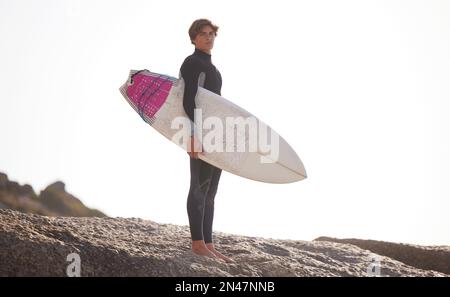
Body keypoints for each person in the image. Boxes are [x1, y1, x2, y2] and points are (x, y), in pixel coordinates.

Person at [180, 19, 234, 263]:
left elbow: (215, 104)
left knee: (211, 191)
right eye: (203, 34)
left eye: (212, 34)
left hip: (214, 134)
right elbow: (189, 100)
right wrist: (192, 133)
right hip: (200, 133)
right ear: (193, 38)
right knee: (198, 187)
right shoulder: (192, 63)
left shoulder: (213, 68)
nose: (209, 37)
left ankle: (208, 243)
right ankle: (197, 243)